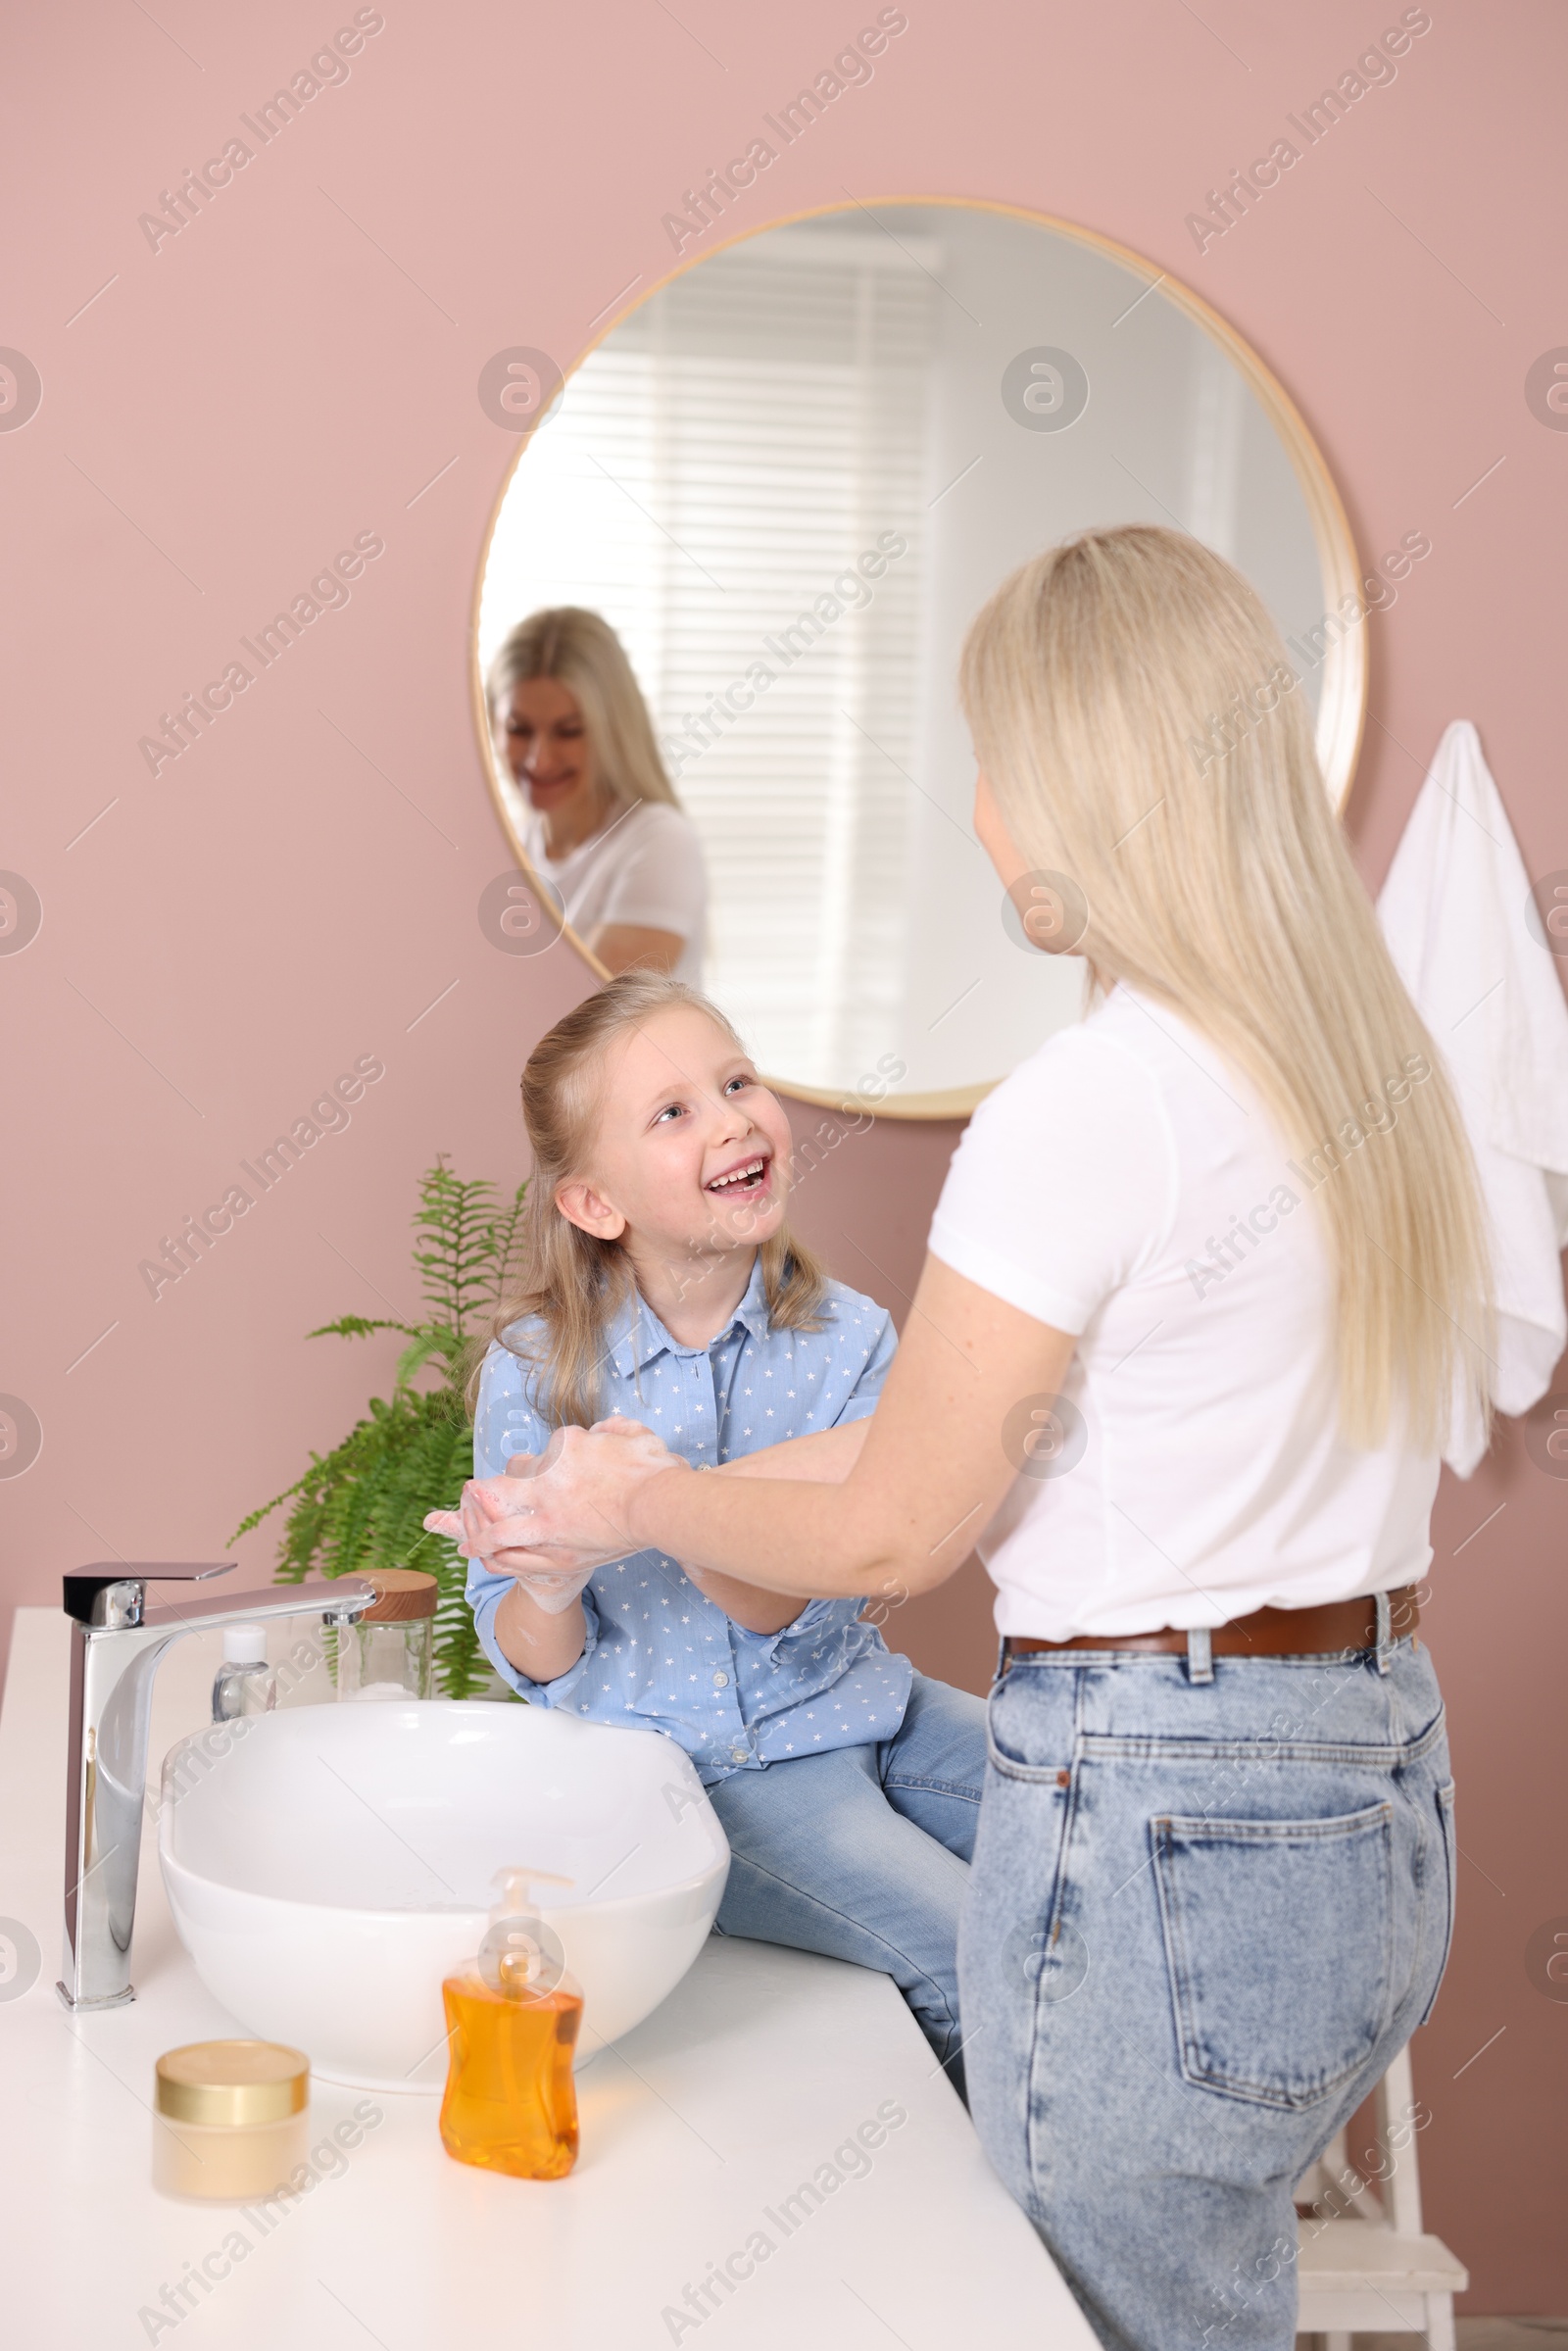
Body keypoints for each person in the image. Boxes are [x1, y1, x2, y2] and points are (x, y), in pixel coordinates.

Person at [446, 526, 1492, 2351]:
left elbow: (886, 1527)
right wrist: (616, 1491)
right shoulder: (1353, 1054)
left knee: (1100, 2317)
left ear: (1084, 783)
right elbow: (911, 1453)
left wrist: (629, 1499)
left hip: (1165, 1799)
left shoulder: (1093, 1105)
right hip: (1368, 1776)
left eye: (997, 766)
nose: (988, 815)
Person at [425, 970, 988, 2089]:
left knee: (1108, 1820)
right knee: (983, 1958)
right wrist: (547, 1572)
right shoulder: (540, 1373)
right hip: (706, 1783)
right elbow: (534, 1653)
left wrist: (642, 1494)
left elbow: (787, 1592)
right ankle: (1000, 2246)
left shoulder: (849, 1341)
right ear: (594, 1203)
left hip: (863, 1709)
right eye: (672, 1111)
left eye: (736, 1081)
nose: (732, 1116)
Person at [487, 608, 707, 982]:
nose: (539, 760)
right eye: (519, 729)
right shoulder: (513, 845)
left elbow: (581, 1021)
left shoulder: (659, 842)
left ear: (613, 729)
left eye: (569, 731)